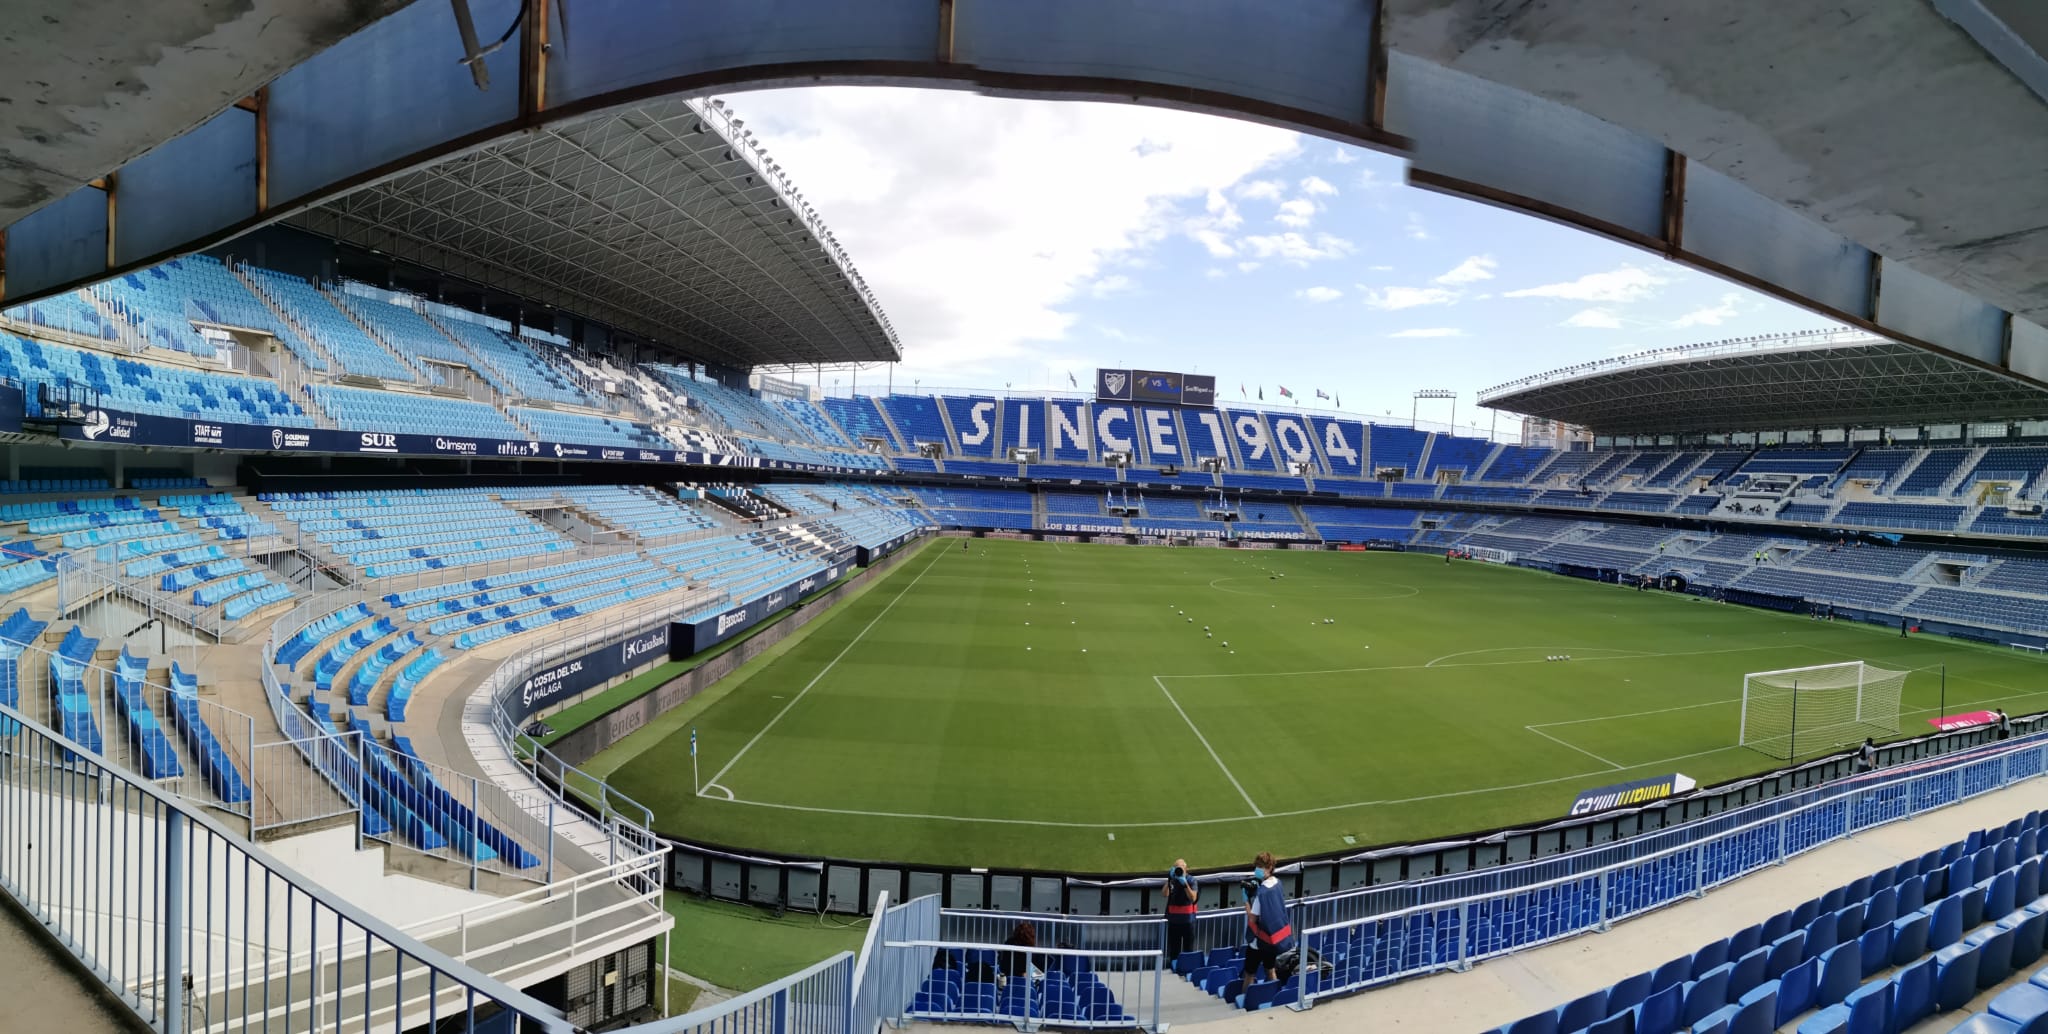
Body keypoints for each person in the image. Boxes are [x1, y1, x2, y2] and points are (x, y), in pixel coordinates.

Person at [1241, 852, 1294, 983]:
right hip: (1273, 940)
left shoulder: (1262, 893)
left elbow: (1252, 919)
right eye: (1257, 866)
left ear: (1269, 867)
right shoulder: (1278, 883)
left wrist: (1246, 901)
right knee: (1270, 969)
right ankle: (1273, 994)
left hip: (1259, 941)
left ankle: (1244, 999)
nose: (1258, 869)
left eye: (1261, 866)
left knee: (1249, 974)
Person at [1163, 859, 1200, 964]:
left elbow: (1193, 897)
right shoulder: (1173, 880)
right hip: (1174, 922)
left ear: (1186, 868)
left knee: (1188, 950)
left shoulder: (1191, 880)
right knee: (1174, 951)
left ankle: (1186, 969)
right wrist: (1169, 879)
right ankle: (1175, 968)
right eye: (1176, 867)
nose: (1178, 870)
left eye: (1180, 867)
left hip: (1188, 922)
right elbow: (1164, 894)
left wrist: (1185, 884)